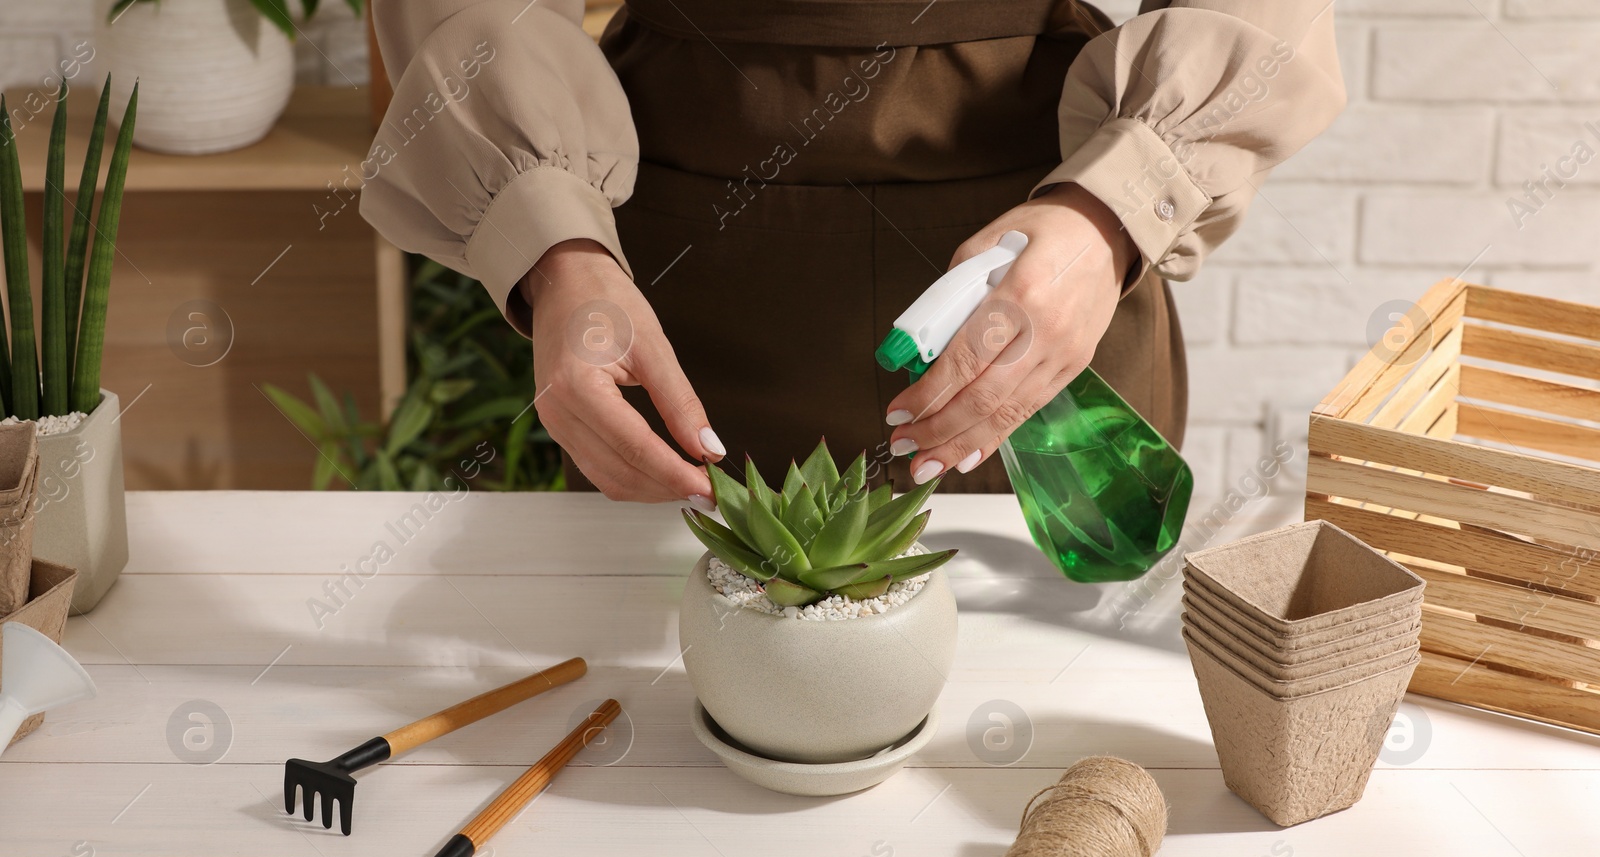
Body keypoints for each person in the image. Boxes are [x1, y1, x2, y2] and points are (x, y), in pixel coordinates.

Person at [361, 0, 1344, 504]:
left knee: (1060, 737)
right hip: (659, 281)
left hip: (1052, 265)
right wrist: (555, 247)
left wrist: (1117, 207)